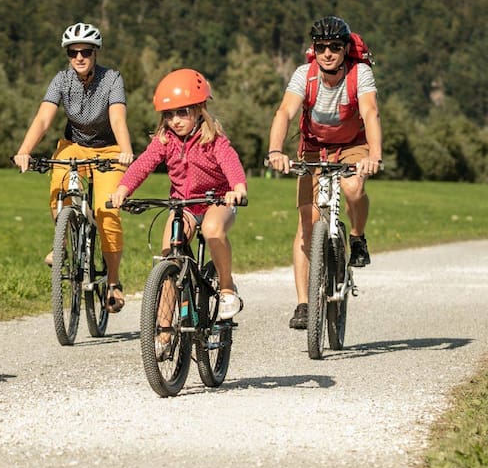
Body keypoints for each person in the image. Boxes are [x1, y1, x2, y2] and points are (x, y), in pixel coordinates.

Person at [267, 16, 383, 330]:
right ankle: (304, 304)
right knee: (307, 220)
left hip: (352, 145)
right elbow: (285, 112)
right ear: (313, 49)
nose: (328, 53)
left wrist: (374, 155)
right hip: (314, 148)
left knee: (353, 189)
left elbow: (370, 112)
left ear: (346, 49)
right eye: (321, 47)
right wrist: (275, 151)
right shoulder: (305, 75)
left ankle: (357, 236)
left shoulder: (361, 74)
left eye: (334, 46)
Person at [13, 22, 135, 312]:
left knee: (108, 211)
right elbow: (44, 119)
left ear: (95, 53)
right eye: (73, 52)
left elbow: (118, 118)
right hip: (74, 146)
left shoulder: (112, 79)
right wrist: (24, 151)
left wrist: (126, 150)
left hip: (109, 148)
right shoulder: (61, 80)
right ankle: (63, 244)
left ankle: (114, 282)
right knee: (59, 192)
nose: (79, 57)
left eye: (85, 52)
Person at [109, 69, 248, 320]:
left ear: (199, 109)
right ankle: (163, 332)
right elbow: (143, 165)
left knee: (212, 229)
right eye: (169, 114)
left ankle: (227, 287)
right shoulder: (165, 140)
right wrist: (123, 189)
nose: (175, 120)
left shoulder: (214, 140)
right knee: (168, 257)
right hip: (182, 206)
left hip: (216, 201)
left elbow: (231, 163)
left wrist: (237, 188)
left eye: (182, 112)